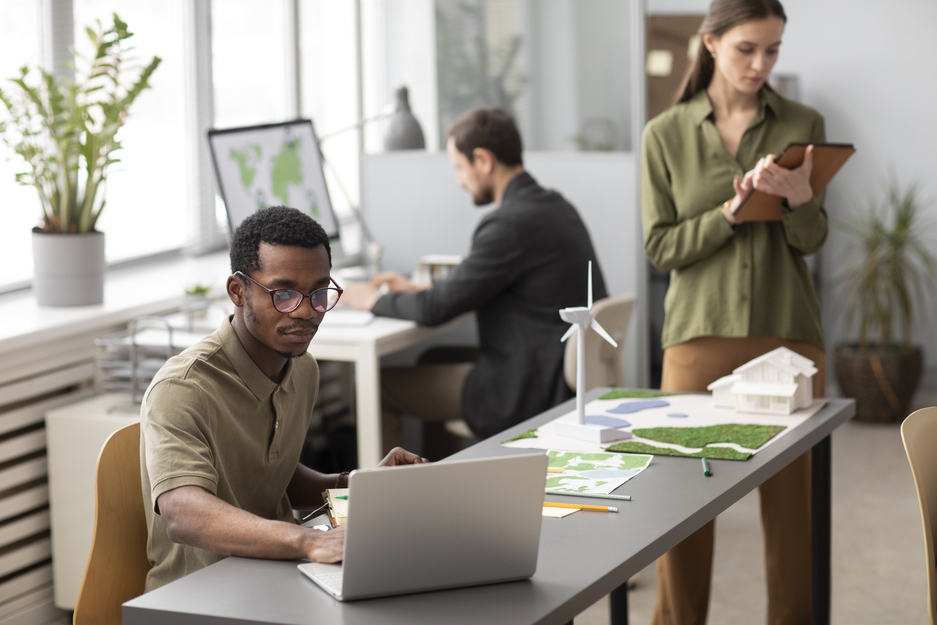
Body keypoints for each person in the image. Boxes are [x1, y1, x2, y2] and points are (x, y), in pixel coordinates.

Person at [640, 1, 827, 624]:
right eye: (748, 48)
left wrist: (800, 199)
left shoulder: (803, 122)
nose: (761, 63)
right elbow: (660, 247)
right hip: (698, 336)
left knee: (793, 515)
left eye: (772, 50)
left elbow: (812, 239)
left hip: (788, 335)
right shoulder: (664, 134)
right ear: (712, 43)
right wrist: (729, 211)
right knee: (683, 505)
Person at [140, 206, 426, 592]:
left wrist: (358, 485)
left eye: (320, 292)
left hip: (278, 574)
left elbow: (272, 475)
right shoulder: (183, 388)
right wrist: (310, 541)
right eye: (285, 294)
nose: (307, 311)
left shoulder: (302, 369)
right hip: (202, 593)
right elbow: (183, 514)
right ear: (238, 292)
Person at [342, 107, 607, 446]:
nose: (459, 180)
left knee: (375, 386)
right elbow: (480, 283)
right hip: (555, 373)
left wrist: (371, 299)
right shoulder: (554, 206)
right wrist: (418, 287)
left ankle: (393, 497)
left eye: (459, 167)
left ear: (482, 160)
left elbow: (434, 309)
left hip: (529, 390)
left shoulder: (508, 225)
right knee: (432, 358)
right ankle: (440, 481)